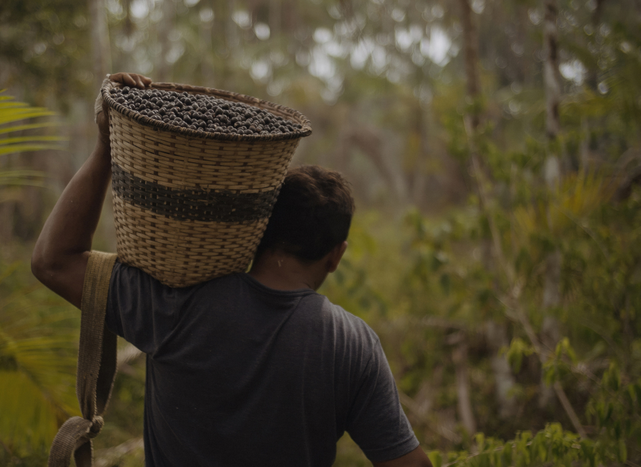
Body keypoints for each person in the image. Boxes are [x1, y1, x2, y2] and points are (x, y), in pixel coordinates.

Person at [32, 72, 433, 467]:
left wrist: (107, 145)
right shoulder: (352, 344)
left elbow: (53, 261)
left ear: (257, 230)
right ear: (336, 255)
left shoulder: (176, 304)